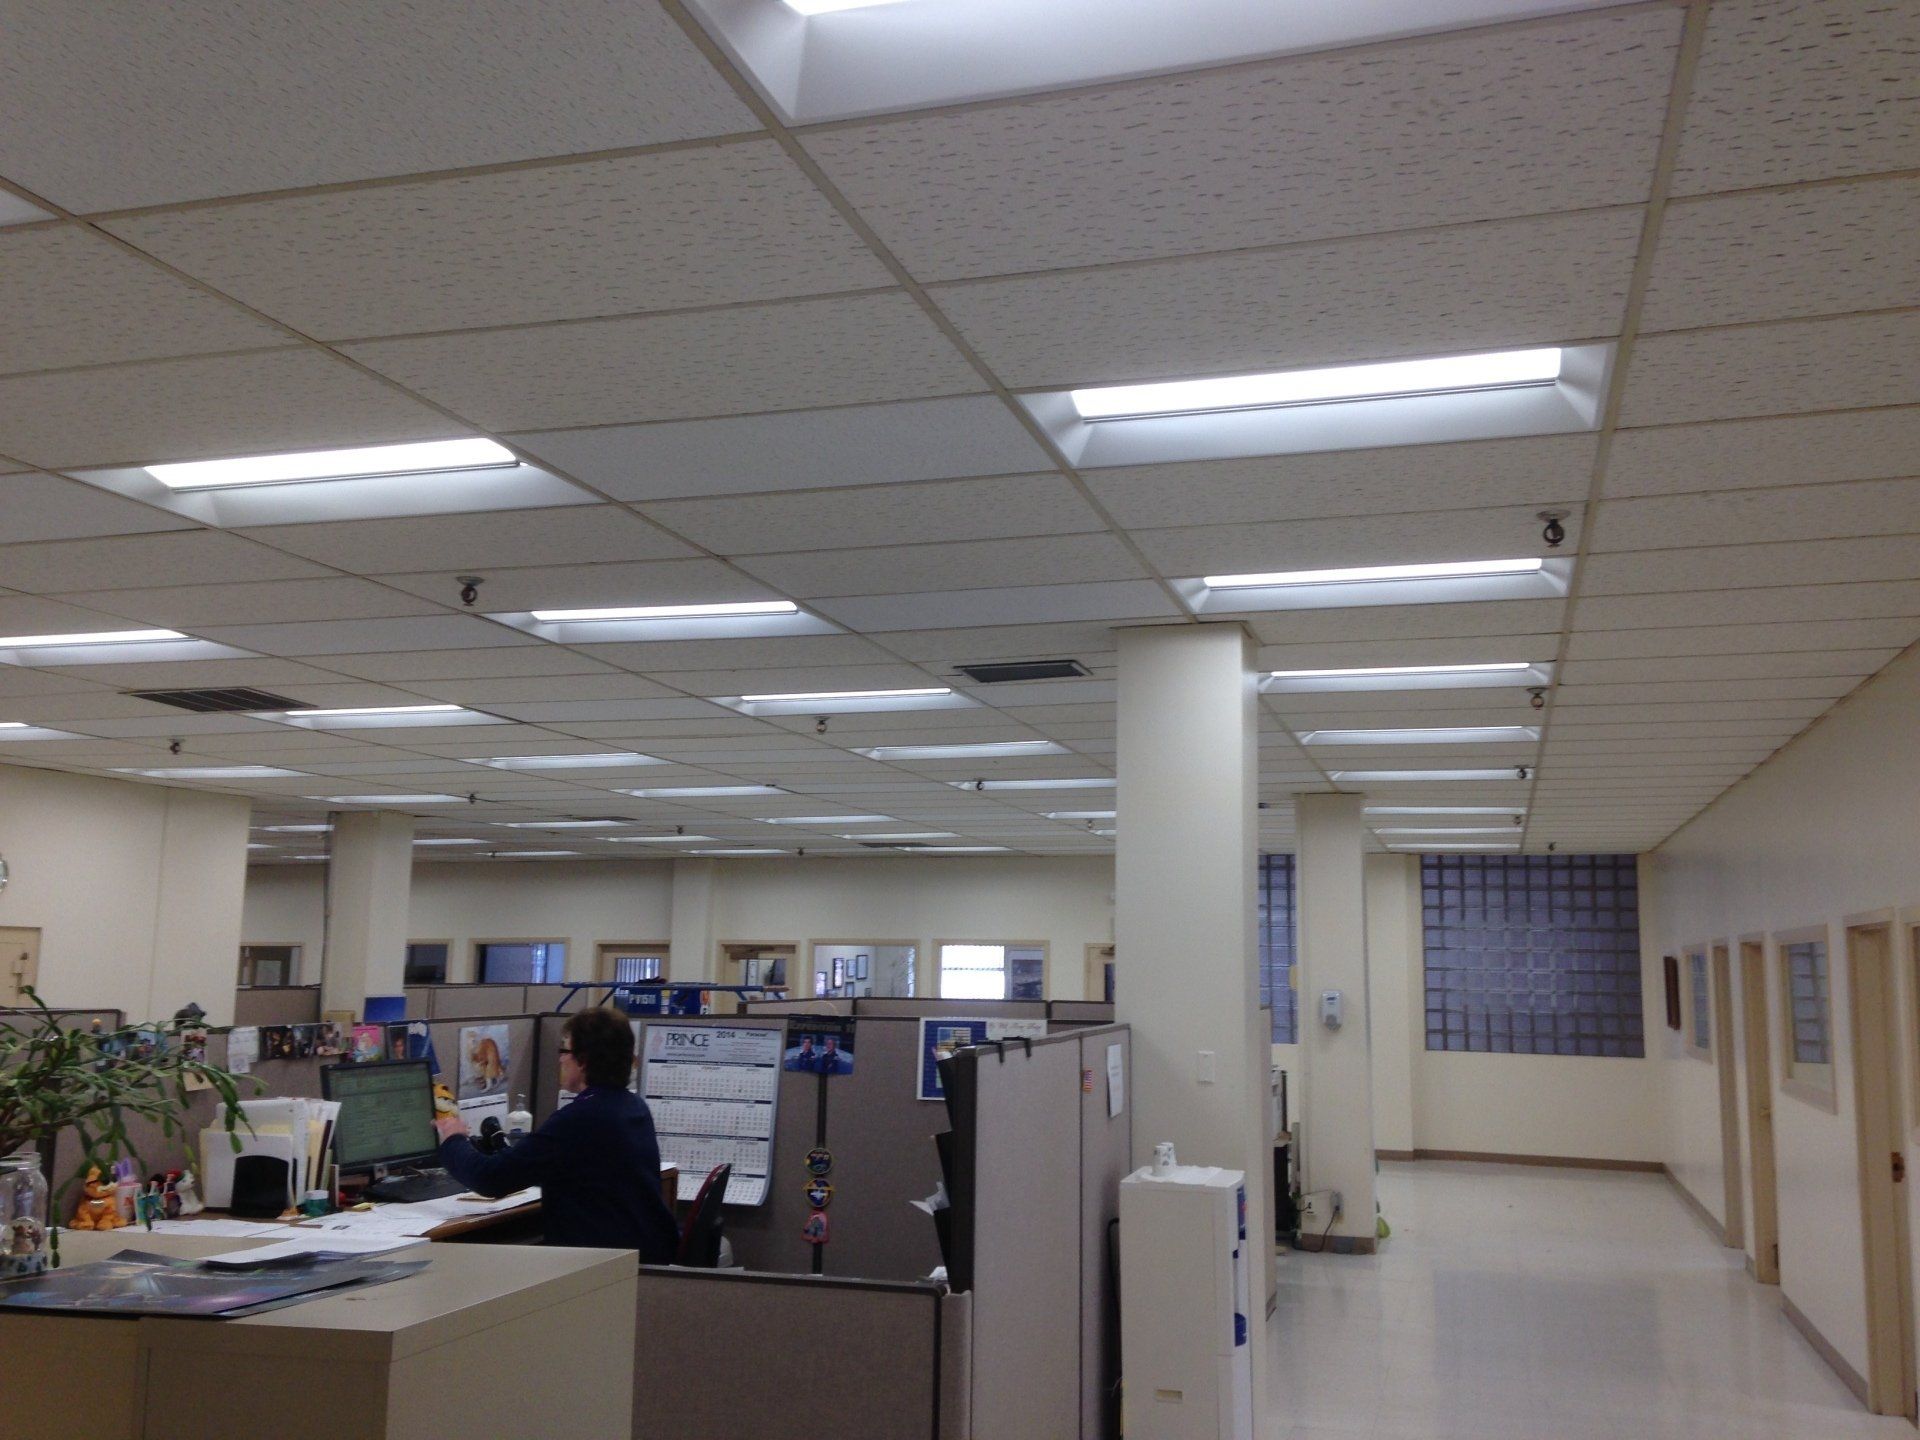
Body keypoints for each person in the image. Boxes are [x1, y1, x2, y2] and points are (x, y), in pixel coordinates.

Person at [432, 1007, 678, 1262]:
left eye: (565, 1051)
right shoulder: (632, 1107)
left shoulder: (581, 1118)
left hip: (599, 1268)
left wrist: (452, 1139)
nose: (560, 1059)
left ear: (583, 1060)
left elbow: (490, 1179)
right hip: (634, 1256)